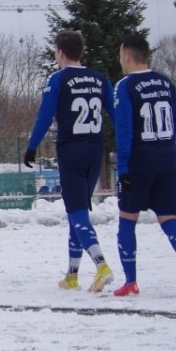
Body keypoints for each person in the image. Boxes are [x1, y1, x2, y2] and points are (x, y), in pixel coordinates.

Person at [24, 31, 117, 292]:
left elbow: (45, 115)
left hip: (71, 149)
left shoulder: (58, 78)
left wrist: (32, 147)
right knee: (78, 212)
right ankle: (72, 275)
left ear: (61, 52)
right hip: (95, 149)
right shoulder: (100, 78)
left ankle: (101, 265)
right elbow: (115, 113)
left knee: (76, 211)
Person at [112, 33, 176, 297]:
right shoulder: (165, 82)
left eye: (120, 56)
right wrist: (164, 144)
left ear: (127, 56)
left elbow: (124, 130)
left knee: (127, 220)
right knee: (168, 218)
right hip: (166, 157)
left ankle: (130, 282)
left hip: (139, 160)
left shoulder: (125, 86)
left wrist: (124, 167)